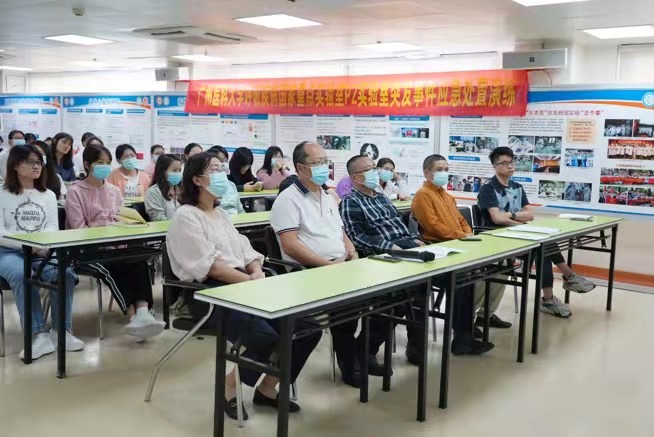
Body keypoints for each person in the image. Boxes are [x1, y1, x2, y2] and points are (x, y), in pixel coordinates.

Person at [167, 152, 321, 420]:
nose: (222, 174)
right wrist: (250, 281)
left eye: (222, 168)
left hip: (246, 283)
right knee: (264, 336)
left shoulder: (220, 214)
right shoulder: (186, 216)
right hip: (211, 292)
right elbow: (211, 268)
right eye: (214, 169)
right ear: (197, 180)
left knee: (307, 328)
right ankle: (228, 387)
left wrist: (256, 271)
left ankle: (267, 388)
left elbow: (246, 251)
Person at [271, 141, 362, 388]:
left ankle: (361, 357)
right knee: (347, 307)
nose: (324, 167)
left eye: (325, 161)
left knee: (380, 297)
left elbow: (340, 232)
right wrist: (326, 265)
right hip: (309, 272)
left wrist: (352, 251)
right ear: (300, 167)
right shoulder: (288, 199)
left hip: (340, 265)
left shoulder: (327, 196)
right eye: (317, 163)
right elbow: (290, 245)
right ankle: (350, 366)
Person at [340, 155, 443, 360]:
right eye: (368, 169)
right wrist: (391, 247)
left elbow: (399, 224)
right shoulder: (351, 202)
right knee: (402, 294)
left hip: (405, 248)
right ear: (355, 178)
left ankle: (415, 348)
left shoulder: (382, 197)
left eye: (374, 168)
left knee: (422, 287)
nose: (374, 172)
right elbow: (357, 237)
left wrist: (414, 240)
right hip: (379, 254)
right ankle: (366, 349)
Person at [478, 147, 596, 318]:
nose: (509, 166)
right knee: (543, 247)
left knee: (543, 249)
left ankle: (554, 293)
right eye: (503, 163)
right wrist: (520, 223)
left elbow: (530, 215)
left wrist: (511, 216)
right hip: (496, 238)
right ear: (494, 167)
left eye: (511, 162)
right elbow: (497, 219)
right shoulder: (488, 188)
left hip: (517, 234)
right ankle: (566, 279)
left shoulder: (517, 187)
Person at [65, 145, 165, 340]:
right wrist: (105, 226)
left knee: (138, 260)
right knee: (114, 267)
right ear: (87, 164)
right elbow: (79, 228)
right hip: (88, 250)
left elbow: (121, 217)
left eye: (107, 163)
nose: (105, 166)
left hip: (116, 245)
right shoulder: (75, 192)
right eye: (100, 162)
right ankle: (133, 317)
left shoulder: (113, 191)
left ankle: (143, 312)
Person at [412, 155, 510, 343]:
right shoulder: (423, 195)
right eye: (439, 170)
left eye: (446, 169)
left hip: (458, 243)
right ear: (427, 173)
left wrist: (467, 234)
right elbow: (433, 227)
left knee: (503, 264)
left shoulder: (447, 196)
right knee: (471, 273)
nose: (443, 173)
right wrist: (461, 236)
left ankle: (485, 314)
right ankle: (465, 326)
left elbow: (461, 220)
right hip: (440, 246)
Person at [0, 144, 84, 359]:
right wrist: (28, 245)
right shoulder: (2, 194)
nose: (36, 166)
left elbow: (52, 227)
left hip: (41, 250)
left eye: (39, 162)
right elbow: (0, 233)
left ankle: (61, 331)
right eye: (30, 162)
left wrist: (42, 245)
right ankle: (38, 335)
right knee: (22, 274)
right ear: (15, 165)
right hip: (8, 252)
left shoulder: (47, 195)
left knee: (64, 273)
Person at [206, 145, 245, 215]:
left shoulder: (231, 185)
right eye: (221, 161)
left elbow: (240, 210)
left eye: (226, 160)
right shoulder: (206, 187)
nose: (224, 164)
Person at [145, 154, 182, 221]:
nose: (178, 173)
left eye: (179, 170)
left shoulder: (182, 189)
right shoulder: (153, 192)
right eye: (174, 170)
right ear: (163, 172)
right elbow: (158, 218)